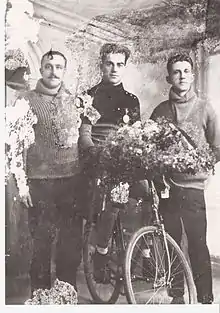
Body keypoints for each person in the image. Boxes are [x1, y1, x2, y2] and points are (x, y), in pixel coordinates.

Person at [150, 53, 220, 304]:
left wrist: (202, 164)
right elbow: (151, 149)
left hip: (193, 188)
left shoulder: (205, 107)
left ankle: (205, 298)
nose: (182, 76)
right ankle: (177, 296)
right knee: (171, 242)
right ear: (169, 77)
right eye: (176, 72)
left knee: (198, 244)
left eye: (186, 71)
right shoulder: (160, 111)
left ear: (192, 74)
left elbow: (217, 146)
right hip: (167, 186)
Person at [78, 43, 150, 283]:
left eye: (120, 64)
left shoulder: (131, 100)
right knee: (115, 201)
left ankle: (144, 254)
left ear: (125, 67)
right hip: (98, 160)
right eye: (110, 63)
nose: (114, 69)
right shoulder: (90, 96)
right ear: (102, 65)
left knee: (149, 192)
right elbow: (85, 133)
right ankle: (101, 254)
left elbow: (135, 133)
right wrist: (95, 152)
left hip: (123, 159)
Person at [20, 50, 83, 293]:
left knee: (70, 243)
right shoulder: (26, 100)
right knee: (42, 242)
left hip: (72, 180)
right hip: (41, 182)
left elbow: (85, 133)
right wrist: (23, 185)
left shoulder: (75, 100)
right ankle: (40, 296)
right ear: (41, 70)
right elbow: (15, 145)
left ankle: (66, 295)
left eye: (58, 67)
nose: (54, 71)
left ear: (64, 71)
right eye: (49, 66)